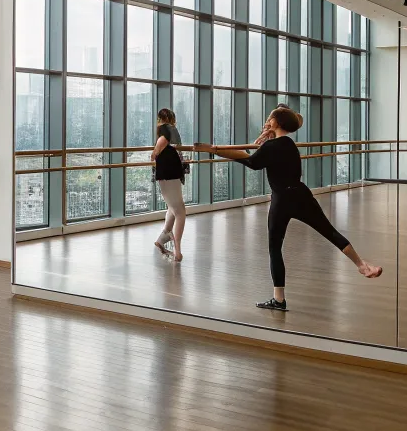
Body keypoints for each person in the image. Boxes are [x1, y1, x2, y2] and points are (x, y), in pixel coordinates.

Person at [196, 105, 381, 311]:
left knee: (275, 248)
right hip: (301, 195)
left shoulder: (271, 146)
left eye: (270, 118)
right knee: (329, 232)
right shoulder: (288, 144)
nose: (267, 120)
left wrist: (214, 150)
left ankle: (279, 299)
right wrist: (222, 148)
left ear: (276, 122)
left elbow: (251, 162)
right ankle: (362, 266)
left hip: (282, 200)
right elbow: (255, 155)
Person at [152, 107, 187, 262]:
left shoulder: (164, 128)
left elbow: (162, 142)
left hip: (168, 172)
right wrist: (156, 152)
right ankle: (177, 248)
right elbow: (163, 142)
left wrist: (155, 153)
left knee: (174, 207)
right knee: (180, 210)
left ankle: (164, 236)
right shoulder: (169, 129)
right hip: (170, 172)